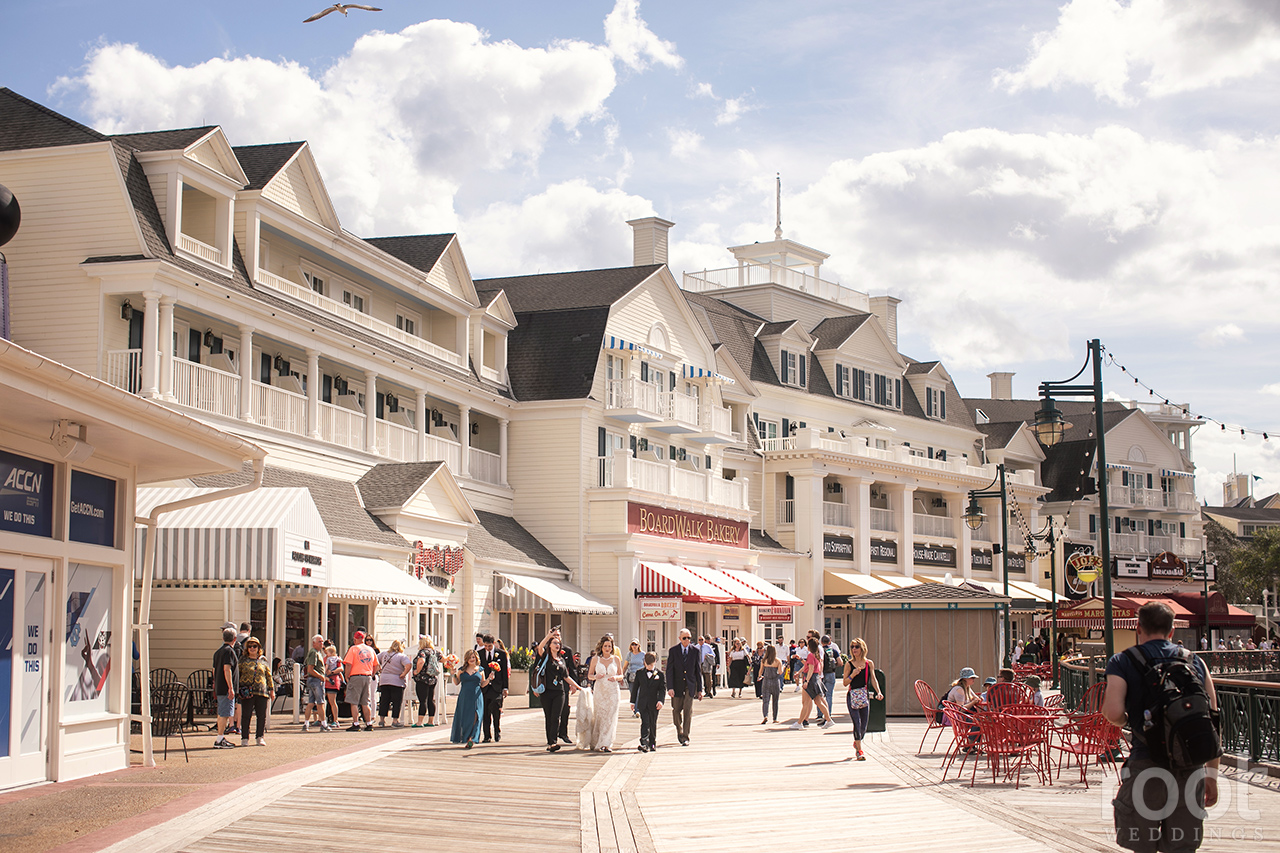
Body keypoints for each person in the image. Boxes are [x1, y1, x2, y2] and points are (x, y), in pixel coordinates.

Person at [1103, 601, 1219, 853]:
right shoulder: (1195, 662)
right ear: (1172, 630)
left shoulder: (1122, 661)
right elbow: (1211, 719)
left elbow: (1112, 712)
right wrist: (1212, 776)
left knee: (1141, 845)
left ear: (1138, 628)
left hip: (1146, 762)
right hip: (1190, 765)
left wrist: (1130, 723)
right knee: (1182, 847)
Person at [534, 628, 580, 752]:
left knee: (556, 717)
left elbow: (566, 676)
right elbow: (540, 648)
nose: (557, 645)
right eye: (554, 643)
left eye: (558, 643)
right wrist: (548, 636)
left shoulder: (562, 660)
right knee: (548, 717)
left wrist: (579, 687)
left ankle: (553, 742)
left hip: (559, 691)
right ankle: (550, 742)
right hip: (546, 691)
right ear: (550, 645)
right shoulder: (546, 657)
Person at [580, 635, 624, 752]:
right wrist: (595, 676)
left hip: (613, 691)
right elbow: (589, 675)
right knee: (600, 716)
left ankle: (606, 743)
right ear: (601, 647)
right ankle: (596, 740)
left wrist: (615, 677)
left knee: (610, 716)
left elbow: (621, 675)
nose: (607, 648)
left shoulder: (616, 659)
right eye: (605, 646)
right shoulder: (595, 659)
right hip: (600, 690)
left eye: (609, 646)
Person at [843, 638, 882, 761]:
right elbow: (845, 682)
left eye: (856, 647)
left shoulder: (868, 663)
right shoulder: (849, 664)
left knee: (864, 725)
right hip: (852, 696)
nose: (854, 649)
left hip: (864, 696)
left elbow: (873, 679)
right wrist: (852, 675)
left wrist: (878, 692)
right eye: (852, 647)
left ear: (862, 648)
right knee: (857, 722)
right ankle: (859, 751)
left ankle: (857, 741)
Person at [665, 628, 703, 746]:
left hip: (690, 685)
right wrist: (670, 687)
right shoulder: (673, 651)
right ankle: (679, 730)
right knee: (676, 710)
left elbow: (698, 671)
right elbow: (669, 670)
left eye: (689, 638)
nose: (687, 640)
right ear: (680, 639)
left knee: (688, 710)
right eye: (684, 638)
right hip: (677, 685)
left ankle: (685, 736)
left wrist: (700, 690)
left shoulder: (695, 651)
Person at [790, 637, 836, 730]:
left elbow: (810, 669)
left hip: (810, 679)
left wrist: (806, 681)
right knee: (817, 701)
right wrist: (799, 672)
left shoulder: (811, 655)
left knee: (806, 702)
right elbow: (808, 665)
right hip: (815, 678)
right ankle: (828, 720)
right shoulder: (816, 655)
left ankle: (800, 722)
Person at [449, 649, 491, 748]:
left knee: (476, 717)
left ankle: (472, 738)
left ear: (476, 658)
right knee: (465, 718)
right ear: (466, 659)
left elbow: (482, 684)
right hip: (464, 696)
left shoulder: (480, 670)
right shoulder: (461, 670)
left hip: (476, 696)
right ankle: (466, 737)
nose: (472, 659)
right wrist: (453, 674)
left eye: (473, 657)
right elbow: (456, 682)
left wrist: (489, 679)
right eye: (470, 658)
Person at [236, 637, 273, 746]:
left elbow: (268, 675)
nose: (252, 648)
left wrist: (271, 689)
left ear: (258, 648)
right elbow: (238, 674)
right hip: (247, 691)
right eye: (250, 646)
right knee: (246, 715)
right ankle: (244, 738)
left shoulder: (263, 660)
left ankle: (259, 737)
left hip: (262, 691)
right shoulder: (243, 660)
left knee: (261, 715)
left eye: (255, 646)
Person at [342, 629, 380, 731]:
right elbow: (376, 665)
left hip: (356, 676)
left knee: (354, 701)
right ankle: (368, 723)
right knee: (365, 702)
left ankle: (356, 723)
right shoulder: (371, 650)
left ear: (355, 639)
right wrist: (372, 674)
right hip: (367, 676)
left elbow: (348, 664)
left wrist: (347, 675)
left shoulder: (353, 649)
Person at [630, 652, 665, 752]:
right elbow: (635, 688)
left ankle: (652, 743)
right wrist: (632, 702)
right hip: (643, 702)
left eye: (651, 664)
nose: (649, 666)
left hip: (654, 703)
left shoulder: (660, 675)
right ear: (644, 662)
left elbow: (662, 689)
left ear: (655, 663)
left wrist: (661, 701)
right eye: (647, 664)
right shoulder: (639, 673)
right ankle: (644, 743)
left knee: (652, 722)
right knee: (645, 722)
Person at [479, 634, 509, 742]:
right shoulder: (480, 654)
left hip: (497, 687)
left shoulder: (501, 654)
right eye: (485, 646)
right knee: (485, 712)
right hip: (485, 687)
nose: (487, 648)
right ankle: (487, 735)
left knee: (496, 710)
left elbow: (504, 671)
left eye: (489, 646)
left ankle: (497, 731)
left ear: (493, 644)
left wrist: (505, 687)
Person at [212, 627, 239, 748]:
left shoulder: (218, 652)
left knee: (222, 712)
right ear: (235, 639)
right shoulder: (229, 651)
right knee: (224, 713)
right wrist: (230, 687)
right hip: (226, 687)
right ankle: (219, 739)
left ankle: (220, 737)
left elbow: (214, 670)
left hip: (219, 685)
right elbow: (226, 669)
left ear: (223, 638)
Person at [376, 639, 412, 727]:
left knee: (384, 700)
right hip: (397, 681)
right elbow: (408, 665)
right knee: (396, 701)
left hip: (384, 680)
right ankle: (395, 721)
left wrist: (379, 668)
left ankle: (381, 720)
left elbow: (375, 659)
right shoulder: (401, 656)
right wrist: (403, 674)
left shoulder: (384, 654)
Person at [412, 636, 441, 727]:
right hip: (432, 678)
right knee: (430, 700)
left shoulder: (422, 652)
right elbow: (444, 659)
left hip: (422, 679)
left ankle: (420, 722)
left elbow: (421, 662)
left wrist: (417, 671)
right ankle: (431, 721)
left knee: (422, 700)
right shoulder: (435, 652)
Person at [303, 634, 329, 732]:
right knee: (320, 702)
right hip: (315, 680)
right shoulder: (313, 653)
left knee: (311, 703)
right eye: (319, 641)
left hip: (313, 680)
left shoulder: (318, 653)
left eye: (322, 641)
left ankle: (306, 724)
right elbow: (310, 669)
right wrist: (321, 676)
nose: (321, 643)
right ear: (314, 643)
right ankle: (323, 724)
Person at [758, 643, 784, 724]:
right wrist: (783, 667)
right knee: (775, 701)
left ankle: (765, 715)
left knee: (765, 700)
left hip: (766, 680)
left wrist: (760, 676)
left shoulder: (764, 660)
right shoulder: (777, 661)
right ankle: (775, 718)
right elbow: (780, 672)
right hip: (775, 681)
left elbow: (760, 671)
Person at [323, 643, 343, 729]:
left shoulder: (335, 659)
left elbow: (341, 668)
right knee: (323, 701)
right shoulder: (325, 659)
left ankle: (335, 720)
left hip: (332, 681)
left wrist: (331, 672)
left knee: (332, 701)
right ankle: (323, 719)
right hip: (325, 681)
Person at [624, 640, 645, 716]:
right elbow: (625, 666)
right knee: (633, 693)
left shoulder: (643, 654)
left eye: (635, 644)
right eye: (632, 644)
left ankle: (637, 710)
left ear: (638, 645)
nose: (634, 646)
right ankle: (635, 710)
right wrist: (622, 675)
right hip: (631, 675)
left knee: (639, 692)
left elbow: (645, 665)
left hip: (640, 675)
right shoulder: (629, 654)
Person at [820, 635, 840, 711]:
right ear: (829, 642)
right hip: (831, 673)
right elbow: (840, 662)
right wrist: (834, 666)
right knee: (829, 695)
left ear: (821, 642)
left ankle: (820, 714)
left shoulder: (820, 650)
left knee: (820, 695)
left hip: (821, 674)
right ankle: (828, 714)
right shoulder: (833, 651)